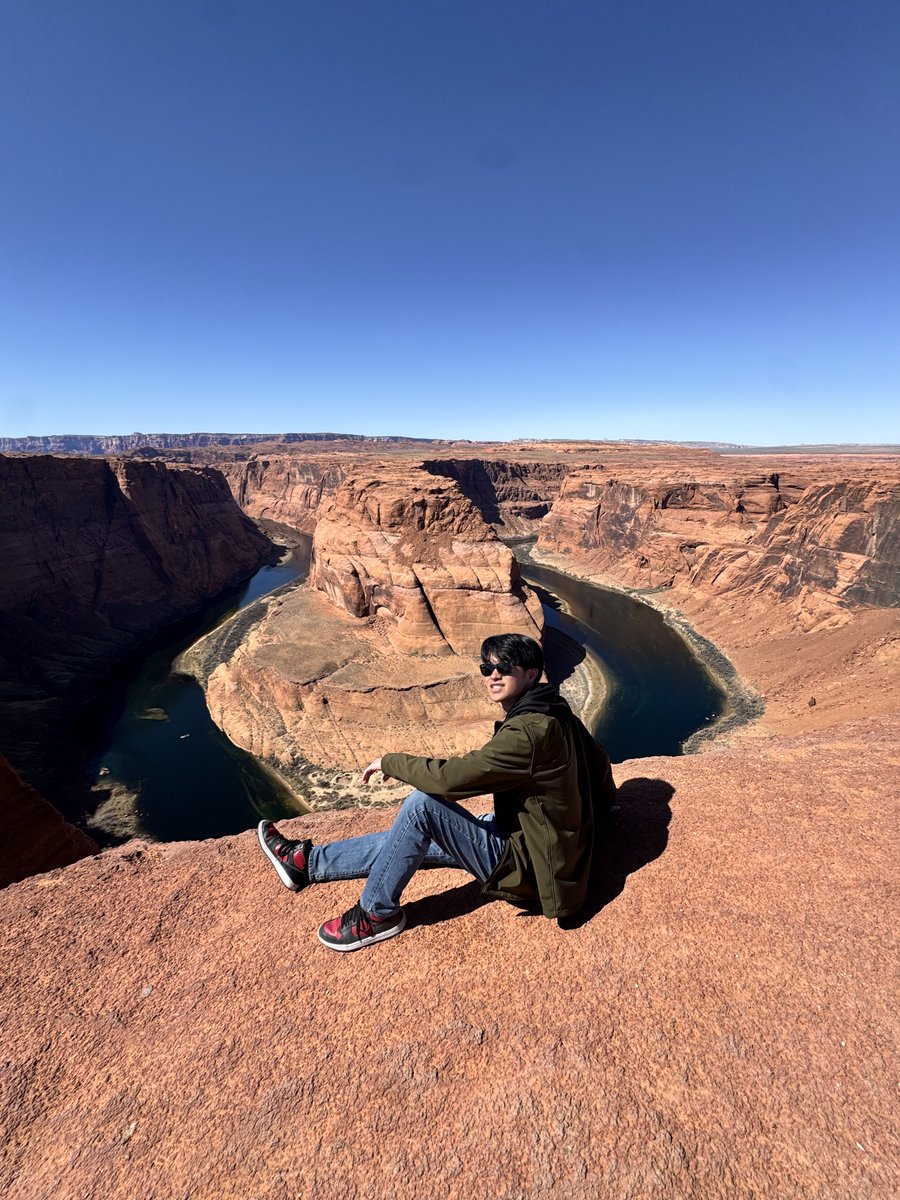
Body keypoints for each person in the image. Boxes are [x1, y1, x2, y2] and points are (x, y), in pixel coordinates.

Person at [257, 632, 615, 951]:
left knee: (422, 807)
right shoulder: (554, 709)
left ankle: (376, 914)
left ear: (532, 674)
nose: (493, 675)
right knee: (411, 836)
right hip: (536, 843)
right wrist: (603, 812)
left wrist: (391, 762)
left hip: (535, 872)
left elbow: (451, 780)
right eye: (486, 668)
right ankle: (306, 864)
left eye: (505, 667)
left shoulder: (528, 732)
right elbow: (599, 763)